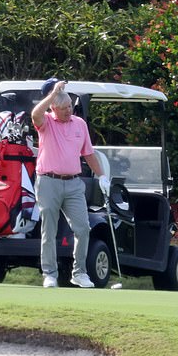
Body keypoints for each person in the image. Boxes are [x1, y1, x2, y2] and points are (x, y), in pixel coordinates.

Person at [31, 78, 110, 288]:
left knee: (83, 228)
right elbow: (35, 114)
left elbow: (89, 154)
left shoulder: (79, 124)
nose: (69, 111)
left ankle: (80, 273)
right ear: (54, 109)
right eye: (64, 108)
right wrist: (51, 94)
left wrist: (102, 176)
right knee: (49, 229)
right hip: (49, 182)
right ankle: (50, 273)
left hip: (74, 184)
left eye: (70, 107)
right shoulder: (46, 123)